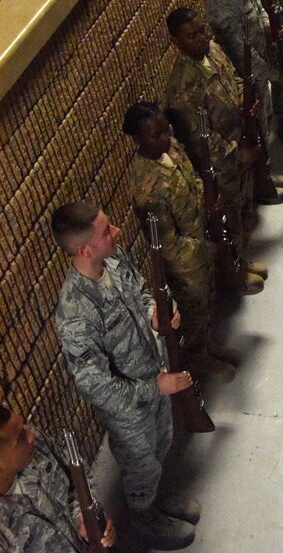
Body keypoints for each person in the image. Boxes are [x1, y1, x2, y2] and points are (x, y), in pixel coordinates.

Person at [51, 202, 200, 550]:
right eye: (106, 232)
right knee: (141, 466)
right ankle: (145, 519)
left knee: (162, 445)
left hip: (155, 376)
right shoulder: (76, 312)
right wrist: (154, 388)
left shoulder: (114, 262)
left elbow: (144, 291)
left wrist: (155, 313)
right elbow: (93, 384)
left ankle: (155, 497)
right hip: (129, 410)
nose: (116, 231)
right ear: (83, 249)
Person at [123, 101, 241, 375]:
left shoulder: (170, 148)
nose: (167, 136)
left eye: (167, 128)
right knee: (193, 314)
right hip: (187, 265)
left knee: (208, 303)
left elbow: (193, 179)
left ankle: (209, 345)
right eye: (157, 134)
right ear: (137, 140)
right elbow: (168, 244)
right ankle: (199, 358)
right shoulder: (147, 188)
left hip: (203, 241)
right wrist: (203, 250)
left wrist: (208, 200)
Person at [163, 9, 269, 283]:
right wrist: (239, 152)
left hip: (240, 140)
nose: (201, 38)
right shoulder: (182, 87)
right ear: (176, 41)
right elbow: (203, 139)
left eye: (201, 30)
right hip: (222, 164)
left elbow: (233, 76)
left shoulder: (213, 50)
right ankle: (233, 274)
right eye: (192, 35)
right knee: (230, 219)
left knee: (245, 206)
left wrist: (248, 105)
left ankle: (242, 259)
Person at [205, 0, 283, 201]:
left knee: (264, 125)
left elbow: (260, 10)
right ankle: (260, 185)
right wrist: (275, 76)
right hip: (245, 80)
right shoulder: (221, 6)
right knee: (253, 133)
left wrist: (269, 26)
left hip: (259, 70)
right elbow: (243, 55)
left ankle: (266, 172)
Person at [0, 404, 116, 551]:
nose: (32, 435)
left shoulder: (36, 446)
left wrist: (84, 515)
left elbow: (78, 473)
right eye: (20, 438)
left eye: (24, 426)